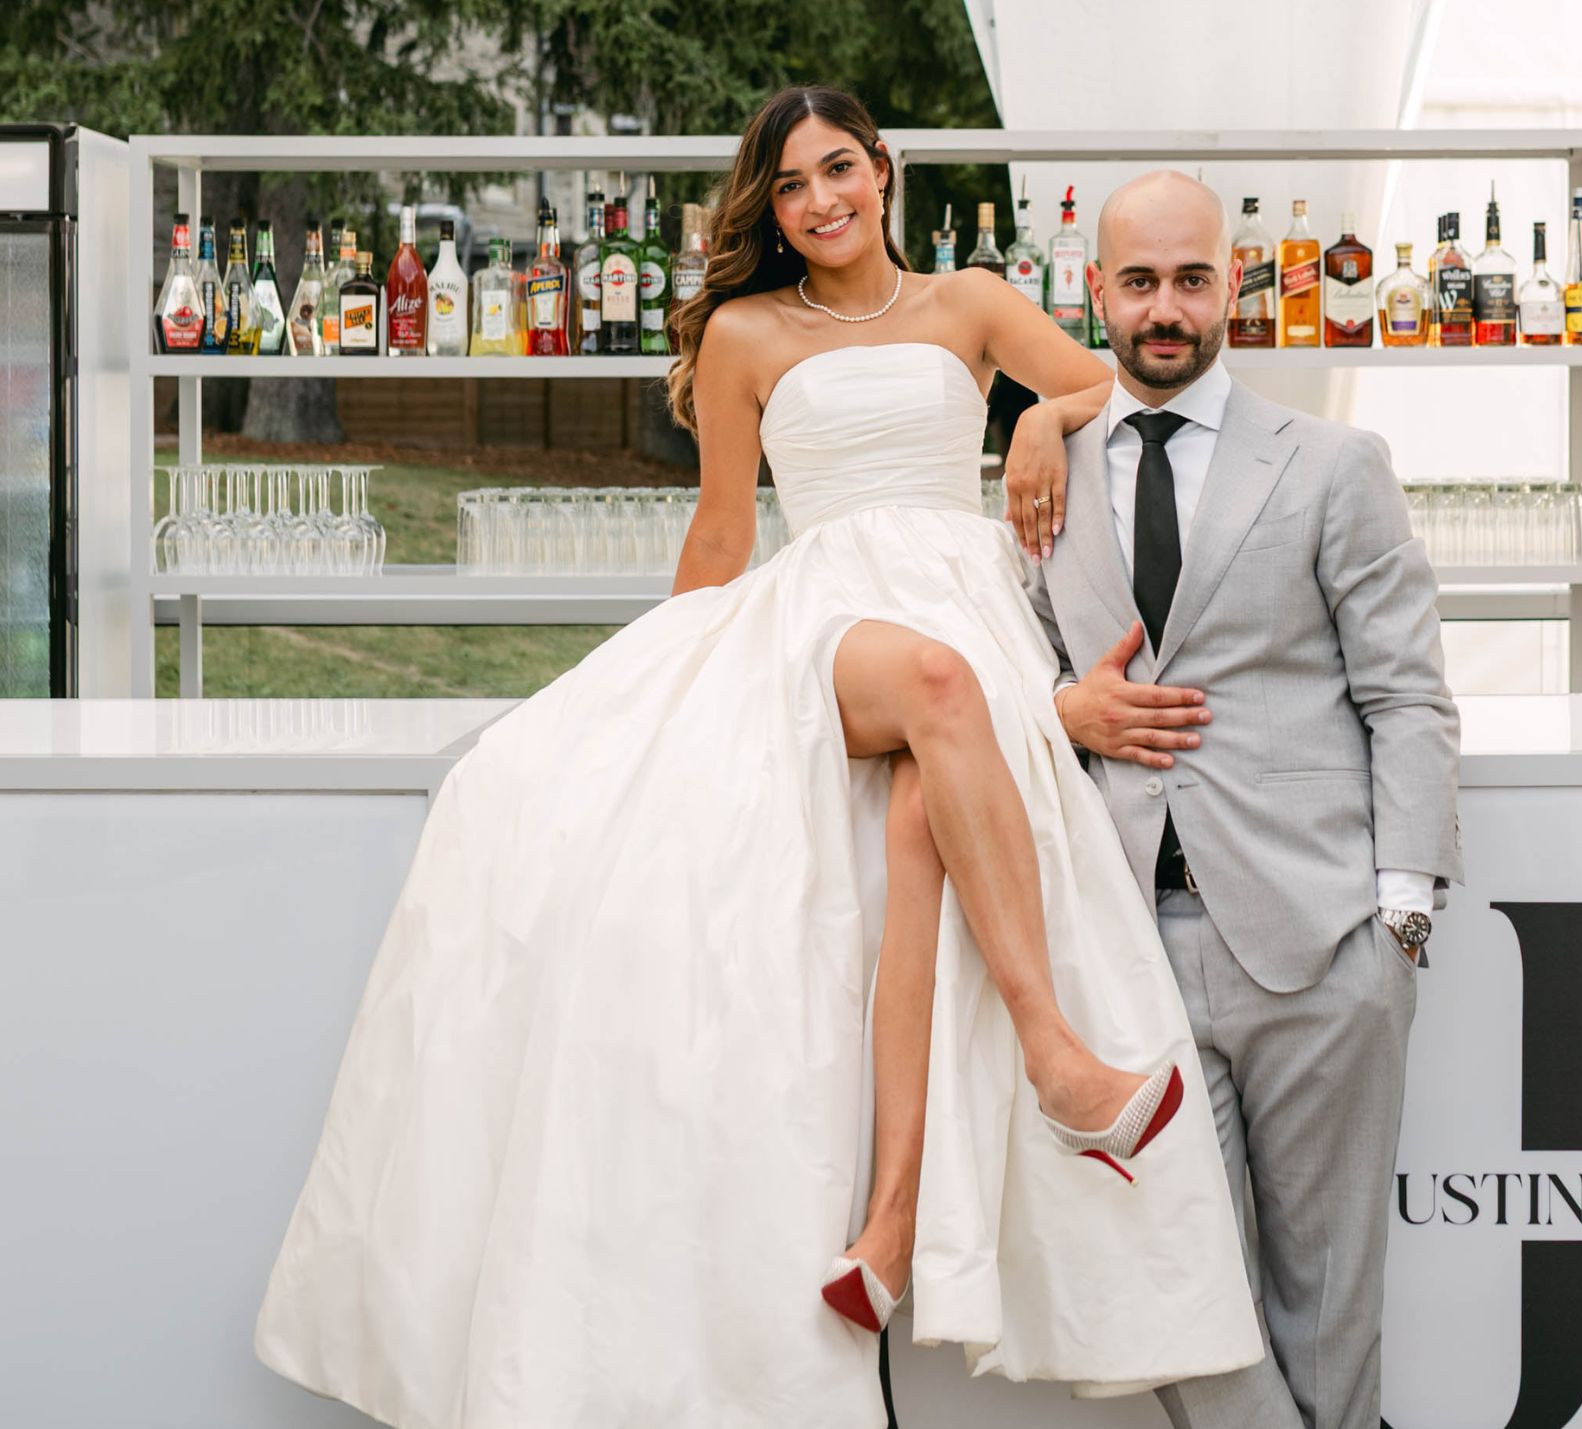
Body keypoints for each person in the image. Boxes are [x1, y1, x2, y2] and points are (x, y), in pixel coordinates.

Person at [250, 88, 1261, 1428]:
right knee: (941, 687)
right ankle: (1060, 1054)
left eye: (838, 168)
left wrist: (1031, 419)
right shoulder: (743, 331)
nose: (821, 200)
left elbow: (1109, 385)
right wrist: (661, 687)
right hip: (828, 612)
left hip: (962, 584)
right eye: (790, 187)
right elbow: (724, 534)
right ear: (770, 210)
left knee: (919, 830)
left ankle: (890, 1230)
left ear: (882, 171)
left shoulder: (966, 300)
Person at [1026, 172, 1464, 1429]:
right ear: (1095, 291)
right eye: (1141, 281)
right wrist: (1063, 713)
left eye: (1193, 278)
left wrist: (1398, 924)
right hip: (1123, 952)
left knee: (1330, 1313)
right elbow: (1011, 682)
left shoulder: (1331, 463)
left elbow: (1407, 695)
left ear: (1233, 288)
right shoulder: (1038, 479)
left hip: (1319, 942)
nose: (1167, 309)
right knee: (1179, 1301)